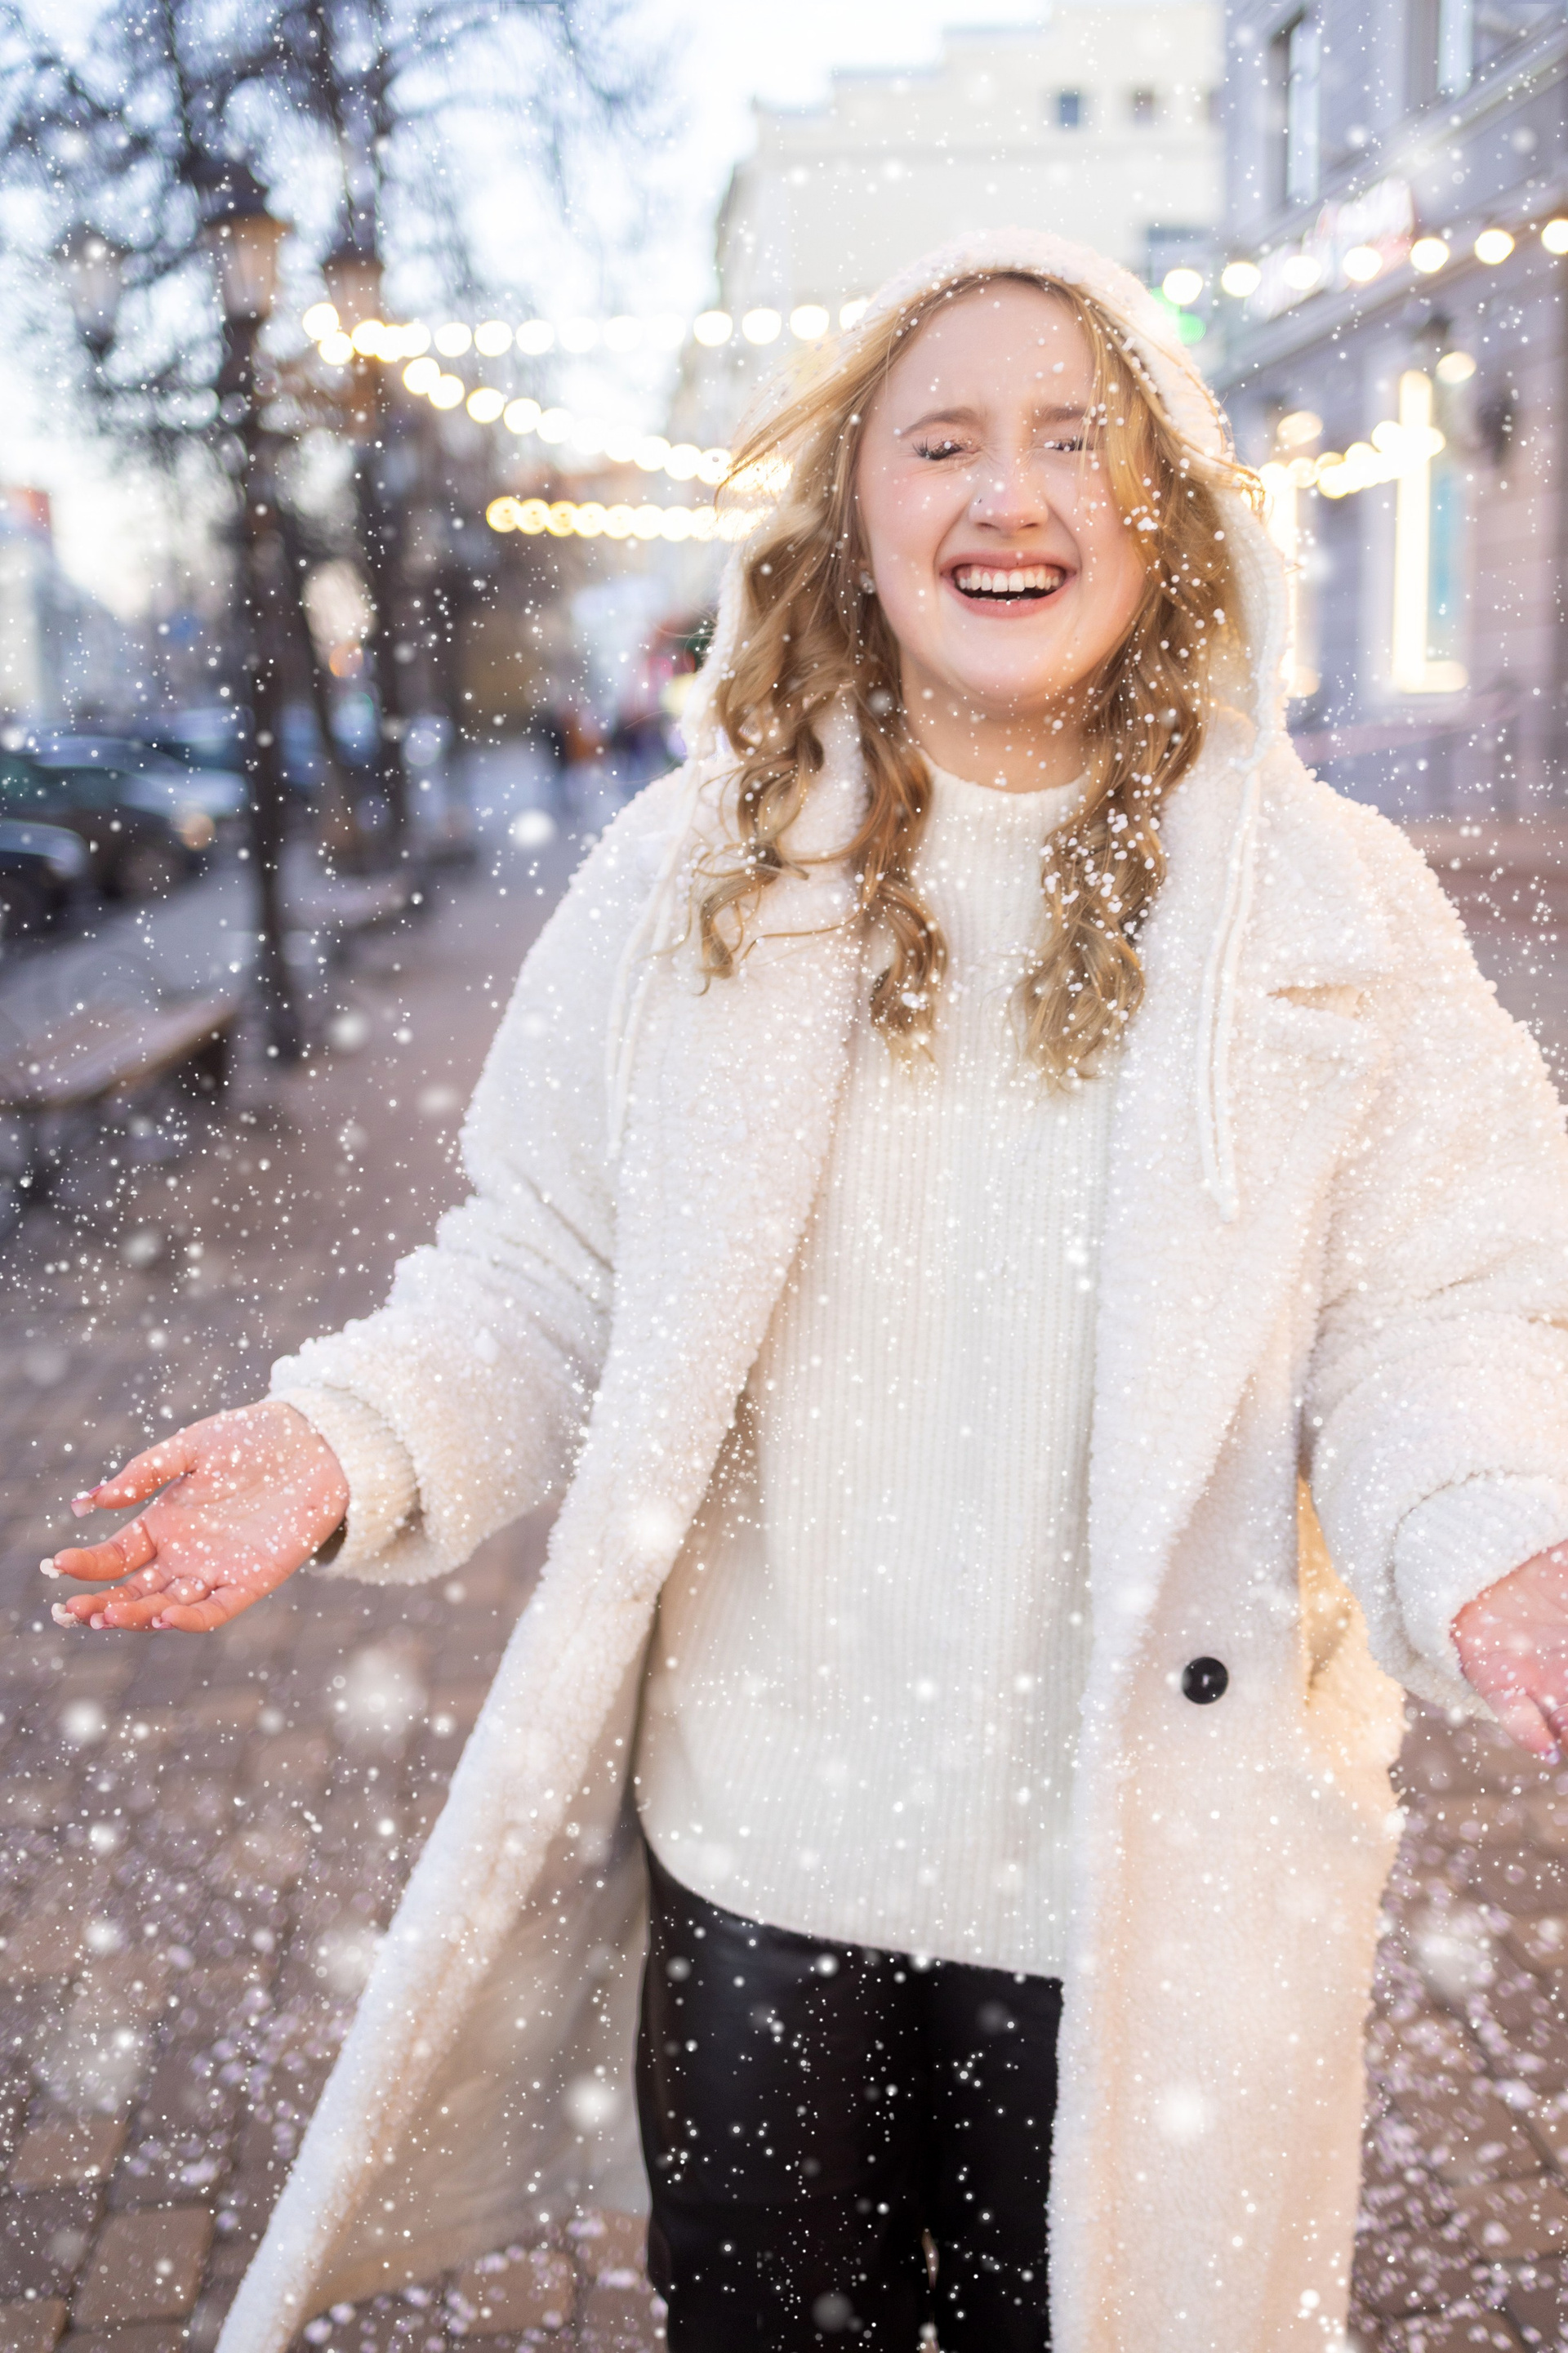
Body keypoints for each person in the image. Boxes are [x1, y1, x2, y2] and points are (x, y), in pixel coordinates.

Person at [44, 233, 1568, 2353]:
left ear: (1170, 508)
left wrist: (1489, 1528)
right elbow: (544, 1270)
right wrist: (346, 1438)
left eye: (1076, 440)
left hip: (1145, 1885)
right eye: (943, 441)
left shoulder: (1332, 910)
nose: (1010, 495)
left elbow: (1440, 1308)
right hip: (770, 1876)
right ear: (854, 508)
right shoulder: (696, 880)